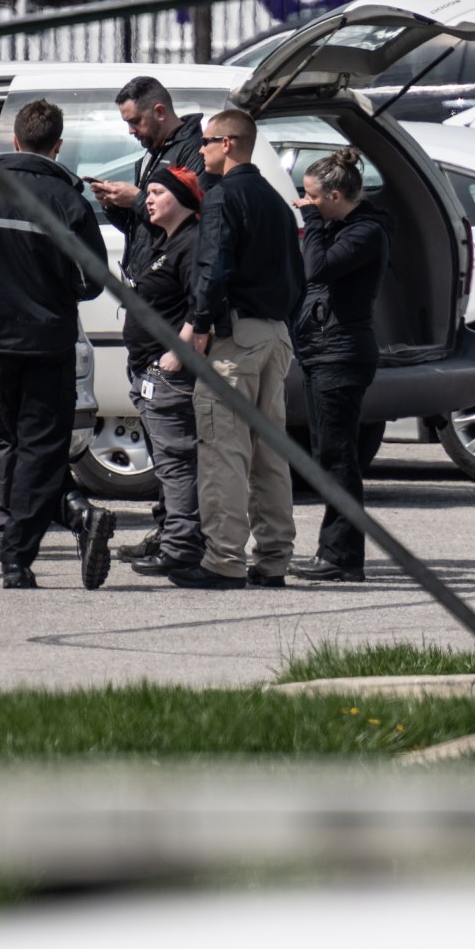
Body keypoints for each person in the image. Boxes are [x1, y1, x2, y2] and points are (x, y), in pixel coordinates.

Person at [0, 98, 112, 589]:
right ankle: (21, 550)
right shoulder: (67, 202)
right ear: (57, 145)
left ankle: (60, 522)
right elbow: (93, 280)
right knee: (40, 447)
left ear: (14, 141)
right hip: (47, 339)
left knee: (12, 445)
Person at [175, 107, 302, 591]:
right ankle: (274, 559)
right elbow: (297, 271)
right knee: (270, 453)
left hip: (237, 337)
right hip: (275, 334)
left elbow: (213, 265)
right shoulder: (273, 197)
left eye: (206, 141)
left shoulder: (223, 196)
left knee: (224, 450)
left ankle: (224, 560)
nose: (200, 150)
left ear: (227, 143)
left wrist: (200, 325)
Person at [290, 148, 388, 583]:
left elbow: (318, 268)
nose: (306, 202)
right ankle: (334, 552)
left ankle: (342, 557)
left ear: (333, 194)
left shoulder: (365, 232)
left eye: (311, 197)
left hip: (341, 353)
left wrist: (311, 223)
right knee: (327, 454)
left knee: (338, 458)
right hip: (322, 351)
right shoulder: (339, 226)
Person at [120, 165, 207, 577]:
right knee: (166, 460)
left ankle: (182, 546)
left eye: (157, 191)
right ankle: (174, 536)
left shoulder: (191, 243)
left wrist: (178, 352)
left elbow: (202, 304)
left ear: (183, 198)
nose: (148, 199)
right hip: (147, 370)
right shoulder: (163, 242)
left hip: (168, 373)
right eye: (147, 192)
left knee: (176, 461)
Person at [85, 75, 206, 282]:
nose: (131, 131)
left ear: (159, 112)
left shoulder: (195, 151)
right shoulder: (150, 155)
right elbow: (142, 230)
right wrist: (113, 204)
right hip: (143, 286)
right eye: (127, 123)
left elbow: (192, 221)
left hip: (171, 288)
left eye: (135, 121)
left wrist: (137, 199)